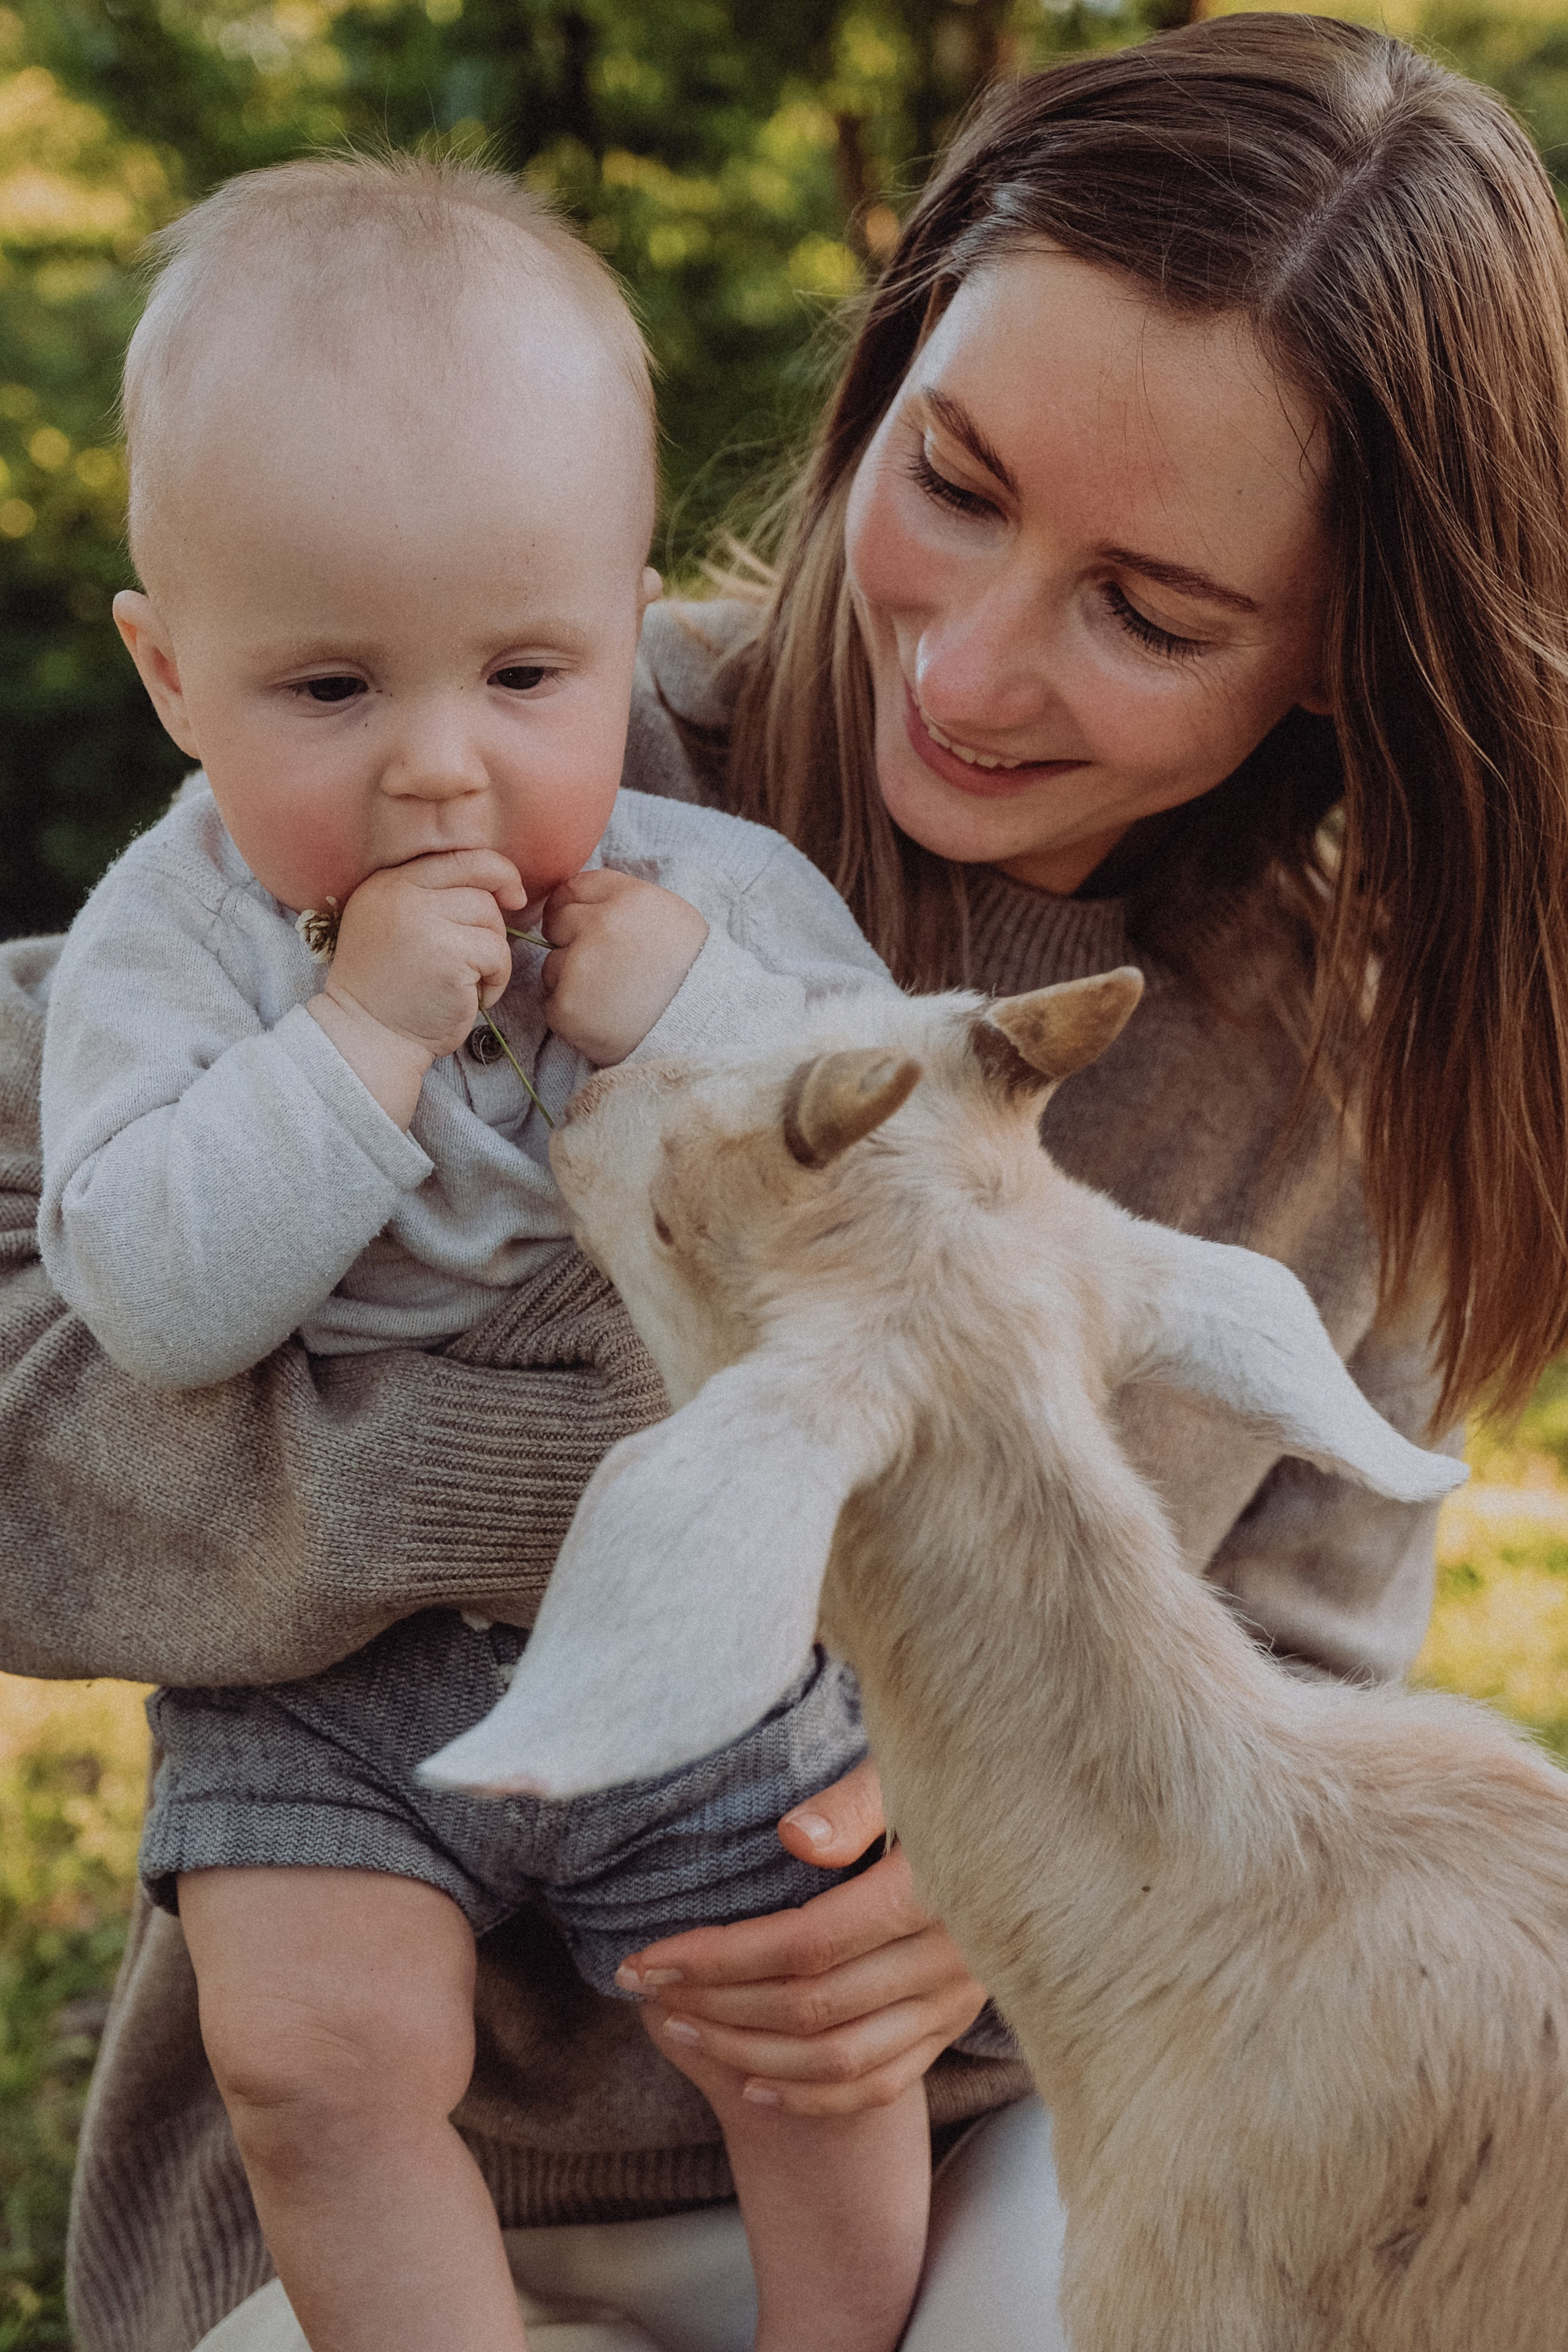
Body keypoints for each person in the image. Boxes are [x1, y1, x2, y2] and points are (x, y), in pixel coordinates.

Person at [2, 12, 1566, 2348]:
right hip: (439, 2180)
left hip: (972, 2126)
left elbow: (1297, 1673)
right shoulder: (462, 747)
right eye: (953, 475)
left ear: (1346, 652)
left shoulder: (1346, 1089)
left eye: (1151, 611)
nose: (972, 656)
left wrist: (979, 1876)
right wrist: (562, 1478)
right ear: (898, 348)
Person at [36, 150, 947, 2352]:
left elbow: (899, 1188)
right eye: (330, 691)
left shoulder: (710, 894)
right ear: (173, 673)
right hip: (324, 1681)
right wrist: (354, 1034)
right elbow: (147, 1293)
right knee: (314, 2066)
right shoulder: (171, 951)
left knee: (815, 2050)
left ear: (629, 628)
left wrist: (700, 1023)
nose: (442, 770)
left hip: (713, 1636)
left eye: (523, 671)